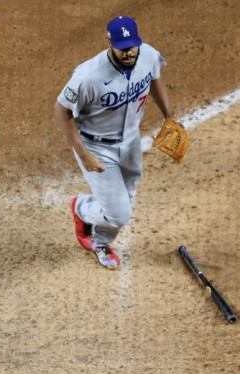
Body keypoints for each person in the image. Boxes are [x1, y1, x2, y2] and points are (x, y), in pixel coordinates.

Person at [54, 16, 175, 269]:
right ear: (110, 42)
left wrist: (169, 116)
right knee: (119, 214)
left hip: (131, 140)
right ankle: (82, 209)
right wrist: (84, 155)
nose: (129, 52)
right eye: (122, 46)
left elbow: (154, 78)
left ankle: (101, 238)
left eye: (132, 45)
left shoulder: (148, 55)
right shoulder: (88, 76)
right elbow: (62, 110)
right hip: (96, 146)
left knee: (126, 197)